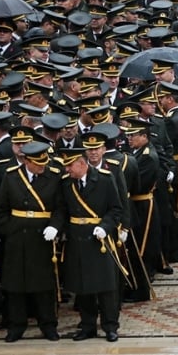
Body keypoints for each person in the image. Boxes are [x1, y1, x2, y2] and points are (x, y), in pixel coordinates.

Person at [0, 141, 65, 343]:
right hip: (17, 238)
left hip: (42, 238)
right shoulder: (11, 177)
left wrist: (55, 226)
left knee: (44, 285)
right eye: (37, 164)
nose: (41, 167)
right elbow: (0, 210)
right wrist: (9, 230)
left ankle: (48, 324)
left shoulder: (53, 176)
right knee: (15, 285)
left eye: (44, 163)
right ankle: (16, 326)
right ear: (26, 161)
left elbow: (60, 208)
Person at [58, 146, 124, 342]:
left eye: (70, 166)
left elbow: (116, 209)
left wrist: (105, 226)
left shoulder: (104, 179)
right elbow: (62, 209)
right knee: (83, 285)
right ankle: (87, 326)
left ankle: (110, 326)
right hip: (77, 239)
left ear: (81, 163)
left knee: (106, 287)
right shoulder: (66, 183)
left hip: (99, 240)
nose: (67, 170)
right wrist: (57, 228)